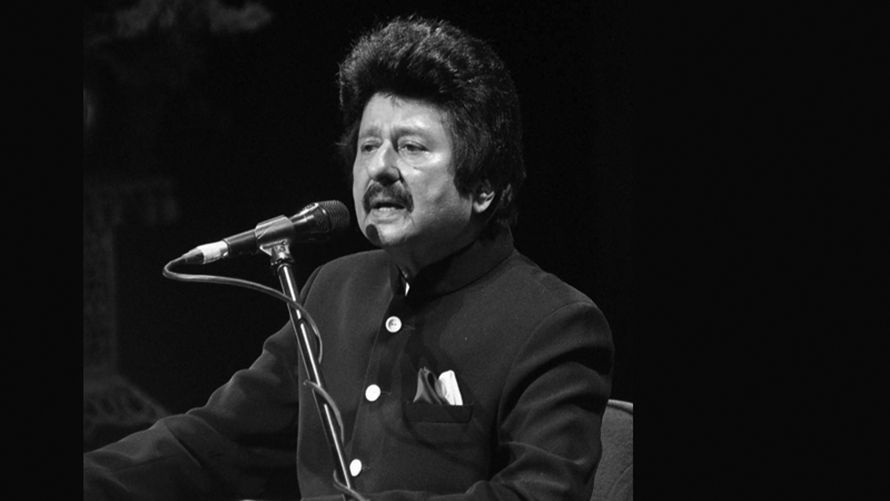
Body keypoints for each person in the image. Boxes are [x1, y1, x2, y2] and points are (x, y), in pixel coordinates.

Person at [84, 16, 614, 501]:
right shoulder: (334, 290)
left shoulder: (553, 324)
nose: (380, 168)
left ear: (484, 187)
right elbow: (216, 442)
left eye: (411, 147)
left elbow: (537, 495)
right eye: (367, 145)